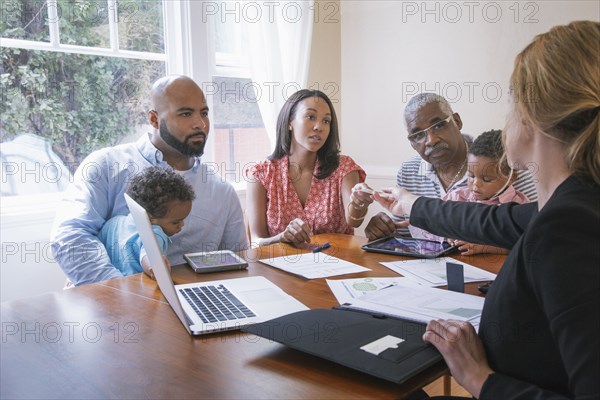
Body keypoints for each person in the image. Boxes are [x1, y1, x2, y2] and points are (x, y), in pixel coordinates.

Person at [373, 20, 599, 399]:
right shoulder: (575, 204)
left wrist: (479, 378)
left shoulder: (569, 226)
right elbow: (492, 220)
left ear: (530, 118)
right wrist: (411, 205)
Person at [51, 75, 248, 286]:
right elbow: (69, 238)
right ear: (154, 119)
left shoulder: (222, 192)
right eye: (185, 113)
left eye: (204, 113)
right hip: (111, 301)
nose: (200, 124)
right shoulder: (106, 166)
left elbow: (239, 261)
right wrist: (120, 293)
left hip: (187, 304)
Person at [357, 93, 537, 241]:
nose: (431, 140)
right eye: (418, 135)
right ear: (411, 143)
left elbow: (533, 235)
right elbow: (406, 235)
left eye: (438, 125)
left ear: (457, 121)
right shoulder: (409, 172)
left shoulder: (502, 163)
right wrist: (384, 230)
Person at [246, 89, 366, 246]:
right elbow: (256, 242)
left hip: (337, 265)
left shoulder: (344, 168)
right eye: (311, 117)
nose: (319, 127)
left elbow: (354, 221)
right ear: (290, 122)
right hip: (282, 266)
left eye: (326, 121)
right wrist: (282, 237)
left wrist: (359, 203)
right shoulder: (261, 174)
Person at [413, 130, 529, 255]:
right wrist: (446, 235)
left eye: (487, 179)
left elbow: (524, 245)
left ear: (511, 177)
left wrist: (485, 247)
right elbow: (428, 226)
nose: (475, 184)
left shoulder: (519, 206)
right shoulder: (457, 197)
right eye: (471, 176)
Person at [98, 166, 195, 279]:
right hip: (139, 289)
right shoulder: (156, 233)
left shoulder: (113, 223)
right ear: (149, 217)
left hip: (112, 285)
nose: (182, 225)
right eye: (175, 222)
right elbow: (148, 255)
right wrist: (156, 266)